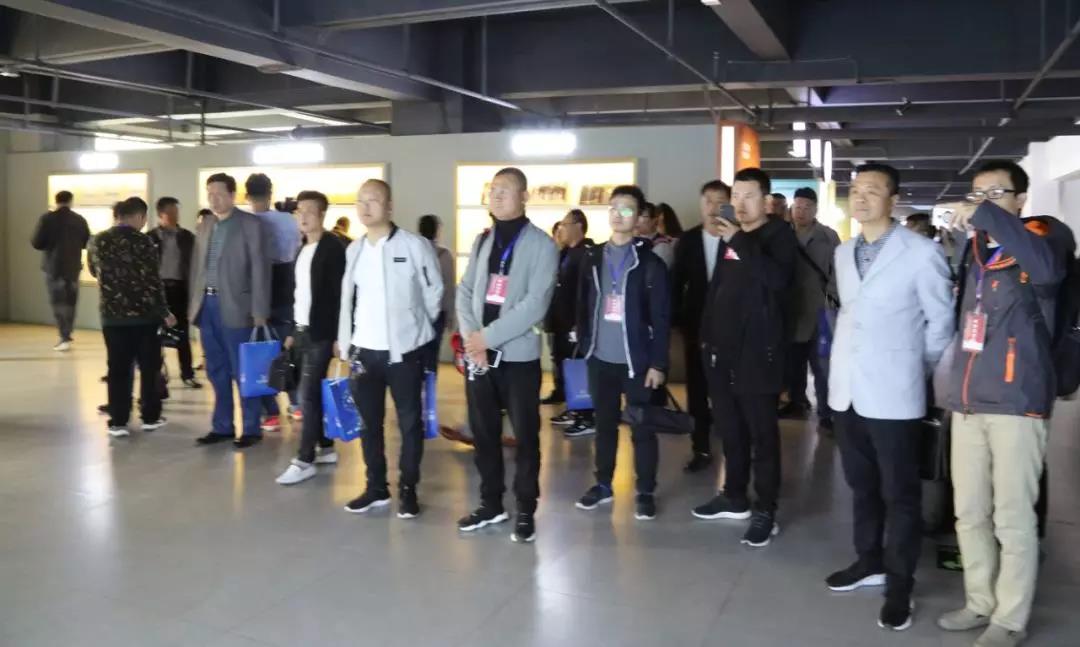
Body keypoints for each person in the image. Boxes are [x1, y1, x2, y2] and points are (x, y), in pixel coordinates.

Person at [937, 160, 1072, 647]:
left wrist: (988, 216)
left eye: (995, 193)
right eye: (977, 194)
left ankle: (1010, 618)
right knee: (969, 512)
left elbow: (1049, 273)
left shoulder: (1045, 239)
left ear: (1020, 200)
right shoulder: (974, 250)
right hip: (969, 400)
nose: (982, 202)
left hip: (1017, 402)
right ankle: (980, 601)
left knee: (1012, 518)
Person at [825, 163, 954, 632]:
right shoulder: (843, 252)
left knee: (900, 494)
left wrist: (914, 368)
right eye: (855, 190)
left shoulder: (921, 252)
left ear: (893, 199)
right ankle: (869, 560)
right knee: (861, 485)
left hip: (895, 391)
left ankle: (900, 585)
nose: (860, 198)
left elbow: (941, 322)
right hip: (847, 390)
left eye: (872, 190)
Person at [691, 168, 797, 548]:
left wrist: (737, 238)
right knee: (730, 430)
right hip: (721, 353)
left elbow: (776, 280)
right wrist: (706, 338)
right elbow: (718, 289)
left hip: (758, 354)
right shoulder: (730, 237)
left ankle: (765, 509)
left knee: (762, 436)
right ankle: (734, 495)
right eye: (735, 196)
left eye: (749, 196)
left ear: (766, 201)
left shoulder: (780, 236)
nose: (739, 203)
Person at [456, 167, 558, 543]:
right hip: (480, 358)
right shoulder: (483, 240)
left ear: (524, 197)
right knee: (484, 435)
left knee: (526, 436)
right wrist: (473, 340)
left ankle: (526, 508)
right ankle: (490, 503)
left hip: (518, 360)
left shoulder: (542, 245)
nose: (497, 196)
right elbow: (465, 291)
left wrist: (487, 338)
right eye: (493, 190)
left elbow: (535, 304)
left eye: (506, 190)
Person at [337, 179, 443, 518]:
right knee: (369, 424)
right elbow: (348, 300)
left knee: (409, 423)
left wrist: (416, 328)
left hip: (404, 353)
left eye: (373, 200)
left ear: (390, 206)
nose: (366, 207)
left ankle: (408, 489)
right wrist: (346, 341)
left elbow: (435, 292)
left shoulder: (413, 245)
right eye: (360, 201)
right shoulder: (354, 250)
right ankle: (376, 488)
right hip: (363, 351)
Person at [574, 185, 671, 520]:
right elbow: (583, 303)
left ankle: (645, 490)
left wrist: (659, 363)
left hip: (637, 363)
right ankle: (603, 484)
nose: (618, 214)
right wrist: (584, 344)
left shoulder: (650, 264)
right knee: (604, 426)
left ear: (640, 217)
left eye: (627, 209)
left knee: (642, 428)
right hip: (600, 358)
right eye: (614, 208)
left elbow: (661, 318)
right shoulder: (592, 257)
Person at [189, 172, 270, 449]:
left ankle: (251, 427)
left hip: (239, 308)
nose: (214, 199)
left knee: (243, 370)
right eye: (210, 194)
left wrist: (260, 311)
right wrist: (193, 305)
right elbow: (196, 268)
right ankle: (222, 426)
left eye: (219, 194)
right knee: (216, 369)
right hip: (207, 305)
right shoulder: (205, 224)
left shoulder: (250, 224)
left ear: (233, 195)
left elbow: (261, 269)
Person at [88, 197, 176, 437]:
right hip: (144, 318)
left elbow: (94, 271)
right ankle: (150, 416)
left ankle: (118, 420)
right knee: (149, 367)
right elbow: (153, 281)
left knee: (117, 368)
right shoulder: (144, 241)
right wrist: (165, 312)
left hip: (112, 317)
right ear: (139, 216)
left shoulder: (98, 240)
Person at [275, 191, 347, 485]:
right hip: (303, 330)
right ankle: (326, 448)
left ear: (322, 214)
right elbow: (299, 295)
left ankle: (304, 459)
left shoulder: (333, 248)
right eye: (299, 211)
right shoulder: (302, 248)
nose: (302, 216)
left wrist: (340, 336)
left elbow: (341, 296)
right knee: (309, 391)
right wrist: (293, 331)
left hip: (322, 333)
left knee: (307, 395)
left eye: (309, 211)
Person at [671, 180, 730, 473]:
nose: (713, 207)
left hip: (730, 327)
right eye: (708, 201)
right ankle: (701, 448)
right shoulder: (689, 240)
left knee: (727, 390)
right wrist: (674, 321)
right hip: (695, 326)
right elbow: (675, 282)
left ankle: (734, 447)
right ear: (701, 204)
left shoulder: (737, 239)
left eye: (720, 202)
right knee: (696, 389)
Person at [246, 173, 302, 430]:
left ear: (246, 195)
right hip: (286, 285)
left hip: (256, 289)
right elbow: (296, 249)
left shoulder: (246, 221)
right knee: (287, 347)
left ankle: (269, 412)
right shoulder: (288, 220)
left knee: (260, 351)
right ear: (270, 193)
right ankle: (296, 403)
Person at [781, 187, 840, 429]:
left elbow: (838, 271)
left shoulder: (828, 236)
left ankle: (826, 411)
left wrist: (832, 300)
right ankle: (797, 401)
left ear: (815, 210)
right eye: (798, 207)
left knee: (821, 364)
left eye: (807, 207)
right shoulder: (782, 234)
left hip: (820, 310)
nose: (801, 212)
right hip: (791, 309)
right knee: (793, 362)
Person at [544, 209, 595, 435]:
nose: (561, 229)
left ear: (578, 226)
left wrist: (579, 322)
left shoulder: (586, 254)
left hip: (575, 323)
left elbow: (585, 292)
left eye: (564, 225)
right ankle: (573, 408)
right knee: (564, 363)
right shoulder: (564, 253)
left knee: (579, 366)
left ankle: (586, 415)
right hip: (559, 321)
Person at [147, 197, 200, 389]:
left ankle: (187, 373)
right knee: (155, 335)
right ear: (160, 214)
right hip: (158, 290)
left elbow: (194, 264)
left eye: (176, 212)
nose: (174, 215)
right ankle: (158, 375)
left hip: (179, 289)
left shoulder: (187, 237)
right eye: (170, 212)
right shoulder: (150, 238)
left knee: (182, 333)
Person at [31, 190, 90, 351]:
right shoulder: (79, 219)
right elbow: (86, 242)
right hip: (73, 267)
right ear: (70, 201)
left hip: (53, 267)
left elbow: (36, 243)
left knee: (58, 301)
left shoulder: (46, 219)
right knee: (71, 301)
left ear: (56, 201)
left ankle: (63, 335)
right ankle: (67, 332)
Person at [418, 214, 456, 355]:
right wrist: (451, 316)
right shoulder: (444, 255)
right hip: (438, 312)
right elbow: (449, 289)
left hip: (416, 310)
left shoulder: (412, 251)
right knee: (432, 353)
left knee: (415, 353)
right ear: (437, 230)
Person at [635, 202, 675, 268]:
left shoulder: (662, 246)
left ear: (654, 220)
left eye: (641, 215)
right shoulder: (633, 242)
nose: (636, 220)